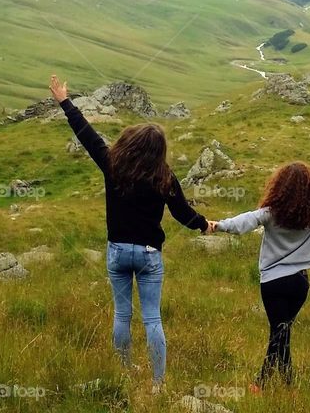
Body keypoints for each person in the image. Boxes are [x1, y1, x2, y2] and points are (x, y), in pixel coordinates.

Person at [48, 75, 214, 391]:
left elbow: (86, 134)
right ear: (159, 151)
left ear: (129, 141)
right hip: (150, 256)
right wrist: (205, 225)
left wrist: (65, 102)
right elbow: (183, 214)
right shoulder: (165, 176)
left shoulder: (112, 163)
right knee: (152, 319)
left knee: (122, 316)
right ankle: (157, 384)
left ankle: (124, 373)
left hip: (118, 252)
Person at [213, 127, 310, 389]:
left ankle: (265, 384)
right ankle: (282, 386)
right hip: (299, 284)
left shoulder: (271, 213)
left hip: (272, 282)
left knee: (278, 334)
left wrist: (219, 225)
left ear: (279, 186)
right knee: (282, 333)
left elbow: (245, 221)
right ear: (309, 186)